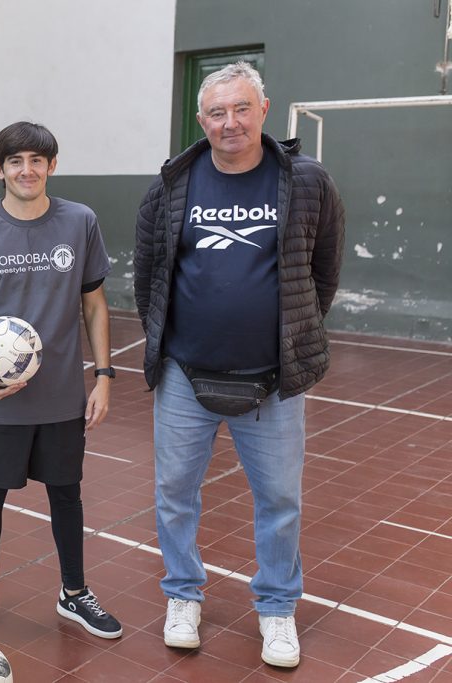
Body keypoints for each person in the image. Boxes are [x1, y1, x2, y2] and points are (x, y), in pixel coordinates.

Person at [133, 62, 345, 668]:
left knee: (280, 498)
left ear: (264, 109)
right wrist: (164, 342)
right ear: (202, 121)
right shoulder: (173, 184)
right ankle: (182, 595)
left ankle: (277, 609)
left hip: (273, 380)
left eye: (242, 108)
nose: (231, 122)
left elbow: (324, 269)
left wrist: (295, 329)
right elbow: (148, 273)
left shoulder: (306, 182)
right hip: (183, 374)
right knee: (175, 493)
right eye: (218, 112)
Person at [0, 121, 122, 643]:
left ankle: (74, 592)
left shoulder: (79, 222)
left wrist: (105, 375)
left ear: (52, 166)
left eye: (37, 161)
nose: (27, 170)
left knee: (67, 495)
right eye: (16, 162)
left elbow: (93, 304)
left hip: (63, 395)